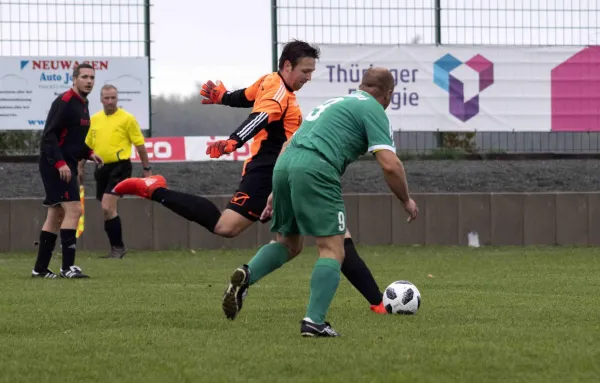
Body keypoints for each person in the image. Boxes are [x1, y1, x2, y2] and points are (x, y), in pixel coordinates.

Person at [113, 39, 388, 314]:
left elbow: (245, 96)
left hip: (280, 168)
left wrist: (223, 97)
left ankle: (374, 302)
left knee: (292, 243)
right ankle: (155, 189)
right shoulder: (280, 93)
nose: (308, 77)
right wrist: (233, 141)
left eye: (311, 72)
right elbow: (260, 117)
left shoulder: (270, 82)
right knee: (234, 228)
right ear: (288, 65)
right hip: (273, 170)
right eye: (305, 71)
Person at [221, 67, 419, 337]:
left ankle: (246, 275)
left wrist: (273, 192)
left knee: (288, 243)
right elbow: (390, 165)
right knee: (333, 250)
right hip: (316, 168)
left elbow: (287, 145)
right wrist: (406, 200)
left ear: (361, 85)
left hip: (285, 167)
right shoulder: (374, 110)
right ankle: (315, 322)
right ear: (389, 94)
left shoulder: (334, 103)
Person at [31, 63, 104, 279]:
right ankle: (67, 268)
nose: (89, 81)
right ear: (74, 79)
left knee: (56, 214)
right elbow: (49, 136)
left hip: (67, 164)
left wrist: (88, 152)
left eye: (92, 77)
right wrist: (60, 164)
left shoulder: (83, 103)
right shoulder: (64, 101)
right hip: (56, 165)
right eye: (84, 77)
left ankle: (40, 269)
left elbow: (73, 138)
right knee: (74, 210)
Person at [79, 84, 151, 259]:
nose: (110, 101)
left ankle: (118, 249)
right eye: (106, 98)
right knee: (107, 210)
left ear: (117, 99)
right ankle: (115, 248)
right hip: (101, 168)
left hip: (120, 167)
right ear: (101, 99)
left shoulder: (127, 119)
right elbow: (87, 145)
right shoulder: (95, 119)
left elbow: (139, 145)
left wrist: (146, 169)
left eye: (113, 98)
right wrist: (80, 167)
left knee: (107, 205)